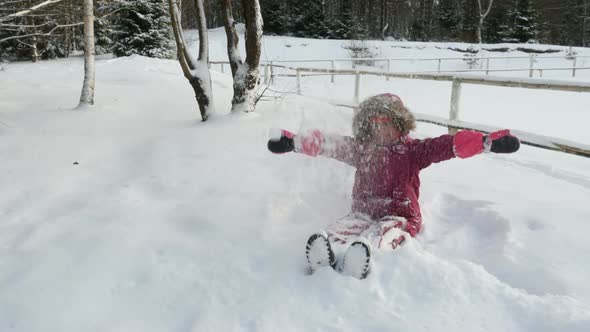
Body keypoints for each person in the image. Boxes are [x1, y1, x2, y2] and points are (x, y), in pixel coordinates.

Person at [267, 93, 520, 279]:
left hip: (401, 214)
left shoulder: (413, 151)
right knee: (344, 226)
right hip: (363, 211)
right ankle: (326, 252)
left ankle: (362, 259)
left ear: (399, 125)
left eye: (386, 124)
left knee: (385, 231)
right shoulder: (362, 148)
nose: (381, 131)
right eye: (375, 126)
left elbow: (447, 145)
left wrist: (485, 142)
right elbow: (330, 144)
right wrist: (294, 142)